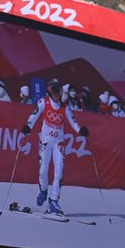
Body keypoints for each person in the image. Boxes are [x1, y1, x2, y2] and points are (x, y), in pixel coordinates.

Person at [20, 78, 88, 218]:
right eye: (55, 92)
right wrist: (28, 127)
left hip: (59, 142)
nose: (58, 95)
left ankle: (54, 201)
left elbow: (74, 122)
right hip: (45, 140)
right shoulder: (43, 102)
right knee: (43, 169)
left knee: (59, 172)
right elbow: (33, 116)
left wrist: (81, 130)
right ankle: (43, 191)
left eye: (59, 92)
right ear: (51, 93)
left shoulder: (65, 107)